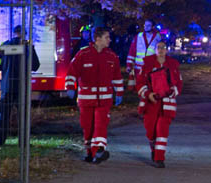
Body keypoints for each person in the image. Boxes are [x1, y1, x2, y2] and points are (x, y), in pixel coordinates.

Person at [65, 27, 124, 164]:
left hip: (104, 99)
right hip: (86, 99)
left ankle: (99, 150)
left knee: (100, 124)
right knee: (88, 126)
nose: (110, 40)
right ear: (98, 39)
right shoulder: (83, 54)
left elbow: (117, 77)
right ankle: (91, 154)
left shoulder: (111, 56)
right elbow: (72, 72)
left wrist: (119, 92)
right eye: (107, 37)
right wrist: (70, 87)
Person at [136, 41, 182, 168]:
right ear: (155, 49)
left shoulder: (172, 65)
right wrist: (147, 94)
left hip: (167, 103)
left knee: (162, 130)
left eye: (163, 48)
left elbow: (179, 83)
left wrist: (173, 91)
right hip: (151, 103)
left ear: (167, 50)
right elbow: (140, 82)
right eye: (158, 47)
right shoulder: (147, 64)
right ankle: (154, 149)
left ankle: (159, 158)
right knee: (150, 131)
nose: (161, 50)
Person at [0, 25, 40, 149]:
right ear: (24, 34)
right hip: (22, 87)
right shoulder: (28, 47)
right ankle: (23, 143)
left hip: (7, 86)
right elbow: (36, 65)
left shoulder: (4, 45)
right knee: (23, 117)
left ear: (14, 33)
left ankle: (0, 142)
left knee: (3, 116)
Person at [126, 19, 162, 90]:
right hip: (138, 68)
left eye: (148, 25)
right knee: (140, 88)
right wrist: (129, 65)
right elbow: (132, 51)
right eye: (145, 25)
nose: (146, 27)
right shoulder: (138, 37)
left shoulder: (157, 38)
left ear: (153, 27)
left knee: (150, 88)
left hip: (151, 68)